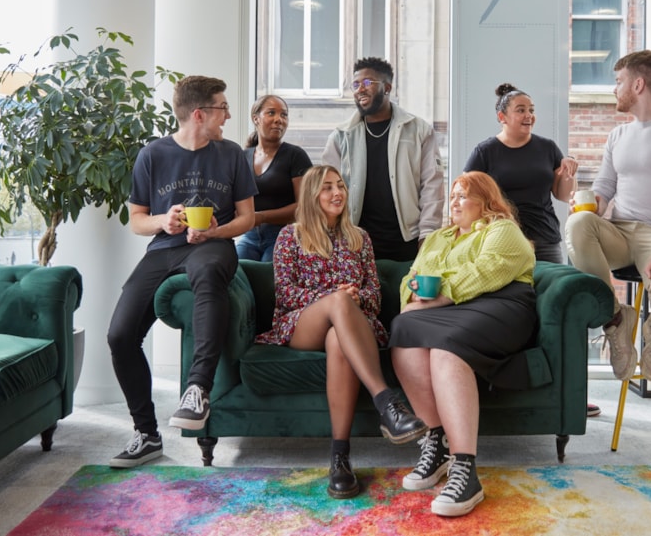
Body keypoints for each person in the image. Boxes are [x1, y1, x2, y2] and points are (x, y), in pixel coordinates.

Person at [106, 75, 258, 468]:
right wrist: (163, 222)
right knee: (120, 335)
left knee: (209, 277)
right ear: (199, 113)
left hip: (213, 246)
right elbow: (137, 220)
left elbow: (247, 218)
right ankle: (146, 434)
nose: (227, 115)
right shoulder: (152, 155)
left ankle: (197, 391)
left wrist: (214, 231)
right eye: (222, 108)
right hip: (162, 250)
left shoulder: (231, 155)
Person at [255, 165, 427, 499]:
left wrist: (356, 297)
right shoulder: (291, 236)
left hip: (351, 327)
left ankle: (340, 458)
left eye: (341, 186)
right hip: (304, 324)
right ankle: (387, 402)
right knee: (336, 305)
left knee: (339, 337)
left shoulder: (359, 238)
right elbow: (286, 294)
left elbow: (375, 298)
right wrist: (334, 298)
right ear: (312, 196)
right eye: (327, 188)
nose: (337, 193)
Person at [390, 171, 537, 517]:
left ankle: (465, 469)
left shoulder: (501, 229)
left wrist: (441, 293)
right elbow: (410, 279)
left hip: (502, 305)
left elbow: (488, 270)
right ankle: (437, 442)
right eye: (452, 196)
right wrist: (414, 294)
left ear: (485, 201)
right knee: (403, 330)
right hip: (453, 309)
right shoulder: (438, 238)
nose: (453, 202)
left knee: (446, 346)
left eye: (462, 195)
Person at [565, 50, 651, 383]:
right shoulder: (617, 136)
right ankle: (616, 321)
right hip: (619, 231)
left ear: (639, 84)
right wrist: (587, 204)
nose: (615, 89)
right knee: (577, 224)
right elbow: (604, 190)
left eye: (619, 82)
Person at [464, 83, 601, 418]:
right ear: (502, 116)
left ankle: (570, 392)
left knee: (554, 316)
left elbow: (560, 193)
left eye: (531, 110)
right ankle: (505, 387)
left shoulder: (547, 147)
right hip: (502, 245)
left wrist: (569, 173)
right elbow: (468, 194)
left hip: (545, 242)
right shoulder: (485, 152)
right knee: (509, 315)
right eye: (521, 110)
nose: (529, 116)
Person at [321, 56, 445, 261]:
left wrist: (428, 235)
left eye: (368, 82)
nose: (360, 89)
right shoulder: (341, 135)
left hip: (407, 241)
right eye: (355, 84)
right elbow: (324, 189)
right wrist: (332, 235)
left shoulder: (418, 130)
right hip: (355, 241)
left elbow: (432, 188)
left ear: (387, 87)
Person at [236, 94, 313, 261]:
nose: (279, 119)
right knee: (235, 269)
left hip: (284, 236)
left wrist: (261, 217)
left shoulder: (296, 156)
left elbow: (305, 207)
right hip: (249, 236)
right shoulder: (243, 157)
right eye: (271, 113)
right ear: (256, 119)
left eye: (283, 115)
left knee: (267, 275)